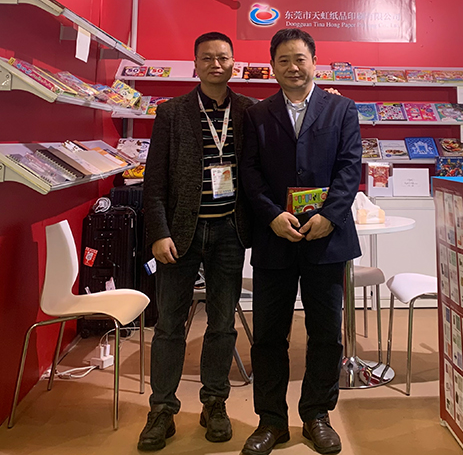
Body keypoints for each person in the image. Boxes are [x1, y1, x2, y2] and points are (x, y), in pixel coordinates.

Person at [240, 29, 362, 455]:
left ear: (314, 62)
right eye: (284, 60)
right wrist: (271, 215)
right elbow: (249, 172)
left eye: (300, 59)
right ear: (273, 66)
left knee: (326, 333)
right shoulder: (257, 114)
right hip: (275, 237)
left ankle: (317, 415)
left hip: (326, 239)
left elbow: (350, 167)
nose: (293, 67)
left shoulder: (341, 109)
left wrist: (330, 215)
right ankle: (271, 421)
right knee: (268, 334)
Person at [139, 32, 255, 452]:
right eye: (207, 58)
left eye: (223, 57)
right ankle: (162, 410)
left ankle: (214, 403)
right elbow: (154, 180)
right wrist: (158, 232)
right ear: (195, 63)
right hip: (180, 233)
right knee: (169, 325)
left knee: (222, 323)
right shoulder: (172, 112)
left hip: (230, 232)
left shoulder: (249, 111)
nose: (215, 64)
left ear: (234, 62)